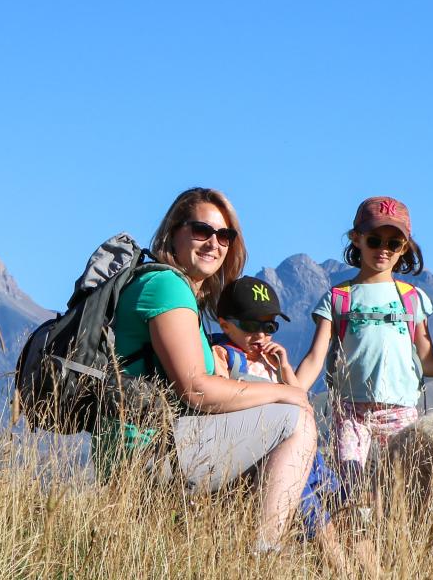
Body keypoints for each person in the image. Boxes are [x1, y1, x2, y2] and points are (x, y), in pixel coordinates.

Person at [101, 187, 318, 552]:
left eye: (224, 235)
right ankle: (263, 553)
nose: (213, 243)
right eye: (201, 230)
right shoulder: (167, 286)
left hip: (151, 447)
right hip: (148, 454)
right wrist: (286, 393)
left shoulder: (173, 290)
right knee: (297, 421)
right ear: (174, 232)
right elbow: (196, 389)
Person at [294, 197, 433, 487]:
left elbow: (428, 361)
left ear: (404, 248)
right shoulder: (338, 297)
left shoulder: (413, 299)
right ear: (356, 239)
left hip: (400, 410)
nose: (383, 249)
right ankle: (353, 531)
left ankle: (390, 531)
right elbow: (315, 357)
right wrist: (292, 393)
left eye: (393, 244)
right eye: (375, 240)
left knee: (401, 486)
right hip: (350, 411)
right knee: (349, 485)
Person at [207, 277, 339, 542]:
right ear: (224, 325)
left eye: (269, 326)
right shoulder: (223, 355)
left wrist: (284, 368)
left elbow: (300, 400)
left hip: (298, 452)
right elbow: (221, 397)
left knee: (333, 500)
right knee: (308, 503)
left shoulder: (270, 361)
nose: (260, 335)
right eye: (249, 325)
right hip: (258, 448)